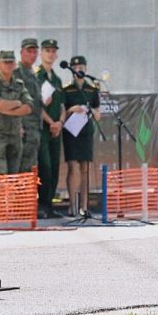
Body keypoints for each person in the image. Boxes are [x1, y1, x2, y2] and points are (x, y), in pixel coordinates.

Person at [61, 55, 101, 217]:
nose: (79, 70)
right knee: (73, 166)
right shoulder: (66, 90)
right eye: (76, 67)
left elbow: (98, 114)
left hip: (86, 131)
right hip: (71, 131)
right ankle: (72, 205)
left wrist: (91, 111)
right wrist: (73, 109)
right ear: (71, 69)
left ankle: (84, 206)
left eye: (82, 67)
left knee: (85, 168)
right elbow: (63, 110)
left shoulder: (92, 90)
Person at [0, 51, 33, 175]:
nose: (8, 65)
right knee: (0, 174)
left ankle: (10, 196)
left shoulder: (19, 84)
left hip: (15, 135)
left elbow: (29, 107)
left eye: (11, 62)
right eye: (5, 62)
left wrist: (7, 111)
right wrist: (17, 103)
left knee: (13, 175)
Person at [35, 38, 65, 218]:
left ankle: (49, 205)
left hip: (56, 129)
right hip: (43, 128)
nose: (51, 54)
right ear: (42, 53)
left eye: (53, 51)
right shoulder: (37, 76)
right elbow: (37, 106)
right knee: (44, 166)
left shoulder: (57, 79)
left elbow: (62, 105)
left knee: (54, 167)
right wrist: (51, 123)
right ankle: (42, 205)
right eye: (47, 50)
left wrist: (60, 122)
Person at [17, 38, 43, 176]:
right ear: (21, 52)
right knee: (22, 167)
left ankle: (26, 197)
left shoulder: (33, 74)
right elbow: (15, 99)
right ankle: (19, 197)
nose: (32, 55)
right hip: (25, 128)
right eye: (29, 51)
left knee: (31, 168)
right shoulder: (17, 72)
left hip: (34, 128)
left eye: (35, 52)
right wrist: (19, 125)